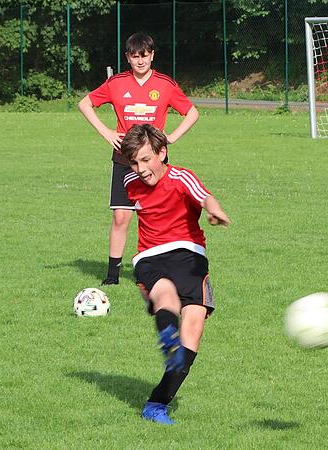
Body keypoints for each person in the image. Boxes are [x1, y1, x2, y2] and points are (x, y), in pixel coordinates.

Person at [119, 124, 229, 425]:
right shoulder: (129, 182)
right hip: (150, 257)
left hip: (190, 257)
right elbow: (120, 218)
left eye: (145, 159)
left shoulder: (181, 177)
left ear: (162, 152)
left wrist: (216, 211)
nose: (140, 169)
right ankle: (167, 336)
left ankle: (157, 402)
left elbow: (205, 197)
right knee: (166, 296)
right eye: (134, 162)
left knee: (192, 332)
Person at [79, 32, 199, 286]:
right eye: (135, 56)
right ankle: (113, 275)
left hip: (155, 164)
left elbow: (192, 112)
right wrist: (107, 132)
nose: (140, 61)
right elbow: (85, 104)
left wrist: (172, 137)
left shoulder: (165, 85)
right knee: (121, 217)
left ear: (152, 55)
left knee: (159, 216)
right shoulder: (117, 83)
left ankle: (160, 267)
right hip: (124, 160)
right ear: (128, 58)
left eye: (144, 55)